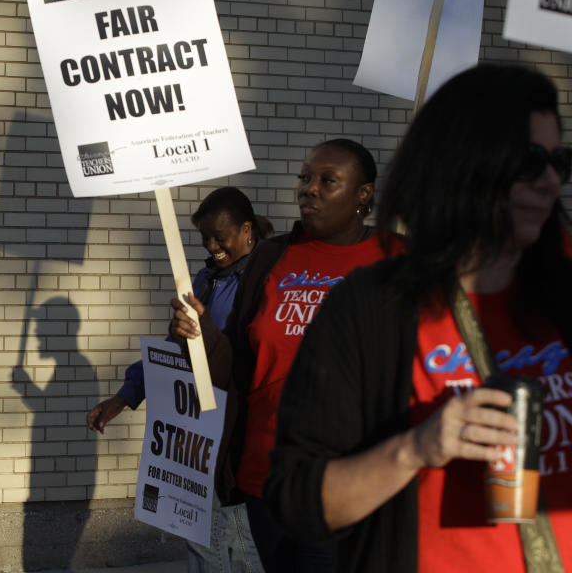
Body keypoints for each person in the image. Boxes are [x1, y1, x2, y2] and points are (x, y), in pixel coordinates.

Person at [264, 64, 572, 572]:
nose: (550, 181)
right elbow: (299, 500)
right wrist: (417, 447)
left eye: (561, 162)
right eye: (531, 161)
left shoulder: (561, 295)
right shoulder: (371, 309)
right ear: (462, 161)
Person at [173, 138, 395, 573]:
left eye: (327, 181)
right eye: (305, 178)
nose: (308, 188)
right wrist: (200, 338)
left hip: (354, 481)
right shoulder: (272, 258)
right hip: (267, 479)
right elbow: (237, 366)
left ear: (363, 194)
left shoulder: (396, 258)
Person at [87, 186, 268, 573]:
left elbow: (251, 359)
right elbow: (174, 352)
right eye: (205, 238)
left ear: (247, 230)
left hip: (237, 439)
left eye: (221, 236)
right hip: (196, 438)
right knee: (203, 544)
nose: (213, 245)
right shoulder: (204, 279)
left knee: (238, 549)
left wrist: (203, 332)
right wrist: (126, 394)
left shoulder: (264, 281)